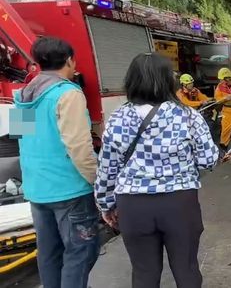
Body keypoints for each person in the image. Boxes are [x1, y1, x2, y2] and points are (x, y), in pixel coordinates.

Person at [95, 52, 219, 288]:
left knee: (144, 274)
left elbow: (107, 168)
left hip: (133, 206)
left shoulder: (117, 118)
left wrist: (105, 205)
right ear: (168, 81)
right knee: (187, 270)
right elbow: (208, 161)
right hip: (180, 204)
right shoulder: (188, 116)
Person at [13, 37, 100, 288]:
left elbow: (22, 140)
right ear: (70, 60)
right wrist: (97, 181)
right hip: (69, 189)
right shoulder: (68, 93)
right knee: (80, 252)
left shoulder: (25, 94)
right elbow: (79, 148)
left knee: (50, 254)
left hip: (37, 189)